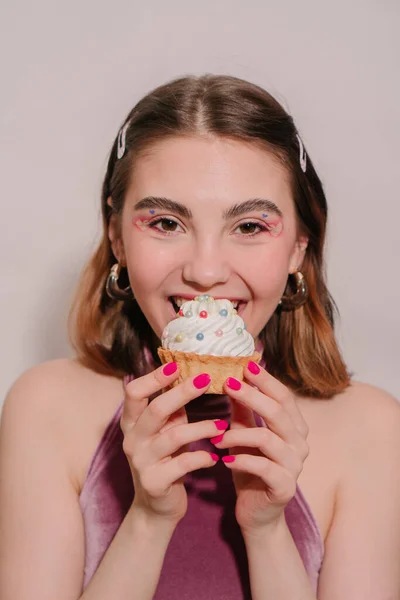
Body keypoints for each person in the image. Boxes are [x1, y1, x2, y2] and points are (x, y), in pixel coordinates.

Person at [1, 74, 399, 600]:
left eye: (251, 226)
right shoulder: (45, 406)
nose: (206, 271)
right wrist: (147, 520)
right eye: (166, 223)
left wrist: (267, 531)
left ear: (299, 248)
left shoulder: (373, 429)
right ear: (117, 236)